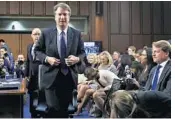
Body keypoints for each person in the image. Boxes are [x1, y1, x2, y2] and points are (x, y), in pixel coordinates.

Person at [34, 3, 86, 118]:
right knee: (53, 108)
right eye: (59, 14)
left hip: (68, 78)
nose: (62, 17)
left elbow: (82, 53)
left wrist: (77, 59)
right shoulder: (46, 33)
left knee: (64, 110)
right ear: (55, 17)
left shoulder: (76, 34)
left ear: (69, 17)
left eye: (65, 14)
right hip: (50, 78)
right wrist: (47, 59)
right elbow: (37, 51)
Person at [25, 28, 42, 117]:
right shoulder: (29, 46)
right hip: (32, 77)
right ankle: (33, 115)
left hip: (42, 77)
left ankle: (41, 114)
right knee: (32, 97)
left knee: (41, 98)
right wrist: (26, 75)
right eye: (35, 34)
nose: (37, 36)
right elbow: (28, 61)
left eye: (39, 34)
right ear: (31, 36)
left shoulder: (45, 47)